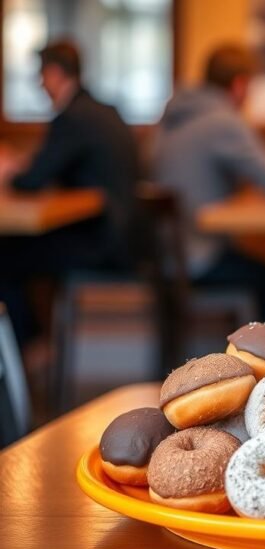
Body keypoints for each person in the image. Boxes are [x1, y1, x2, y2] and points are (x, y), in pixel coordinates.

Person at [150, 44, 265, 324]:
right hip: (198, 258)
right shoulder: (222, 122)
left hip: (163, 256)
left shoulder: (173, 117)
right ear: (239, 85)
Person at [0, 40, 144, 341]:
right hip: (127, 238)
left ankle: (25, 351)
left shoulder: (73, 117)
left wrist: (10, 172)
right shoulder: (103, 111)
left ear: (54, 73)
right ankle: (33, 345)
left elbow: (32, 181)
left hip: (101, 244)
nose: (40, 84)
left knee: (6, 256)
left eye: (41, 75)